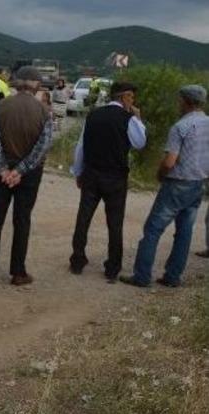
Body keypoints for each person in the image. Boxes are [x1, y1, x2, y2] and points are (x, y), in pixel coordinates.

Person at [121, 85, 209, 288]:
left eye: (180, 100)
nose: (178, 103)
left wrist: (160, 175)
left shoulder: (181, 127)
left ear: (186, 101)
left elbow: (170, 161)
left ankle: (142, 276)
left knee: (153, 229)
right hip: (198, 184)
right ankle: (173, 276)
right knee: (185, 232)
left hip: (177, 184)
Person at [0, 66, 53, 286]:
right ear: (37, 86)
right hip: (29, 176)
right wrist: (21, 171)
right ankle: (18, 272)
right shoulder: (44, 112)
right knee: (22, 221)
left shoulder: (0, 107)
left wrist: (4, 170)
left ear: (16, 83)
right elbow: (43, 146)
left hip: (0, 174)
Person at [69, 82, 146, 282]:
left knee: (83, 218)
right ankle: (112, 267)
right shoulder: (128, 119)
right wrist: (137, 118)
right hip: (115, 177)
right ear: (125, 97)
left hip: (92, 174)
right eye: (131, 97)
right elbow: (140, 143)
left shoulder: (94, 115)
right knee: (115, 223)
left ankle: (77, 261)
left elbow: (81, 147)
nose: (133, 101)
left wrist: (78, 172)